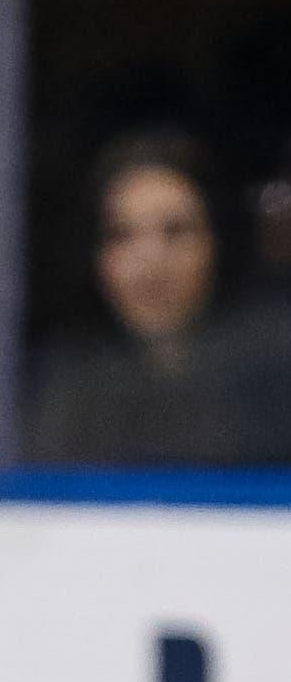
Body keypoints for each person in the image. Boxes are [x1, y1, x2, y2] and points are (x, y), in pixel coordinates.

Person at [26, 132, 291, 463]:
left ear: (218, 244)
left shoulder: (275, 370)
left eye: (176, 231)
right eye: (121, 234)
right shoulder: (68, 389)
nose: (151, 262)